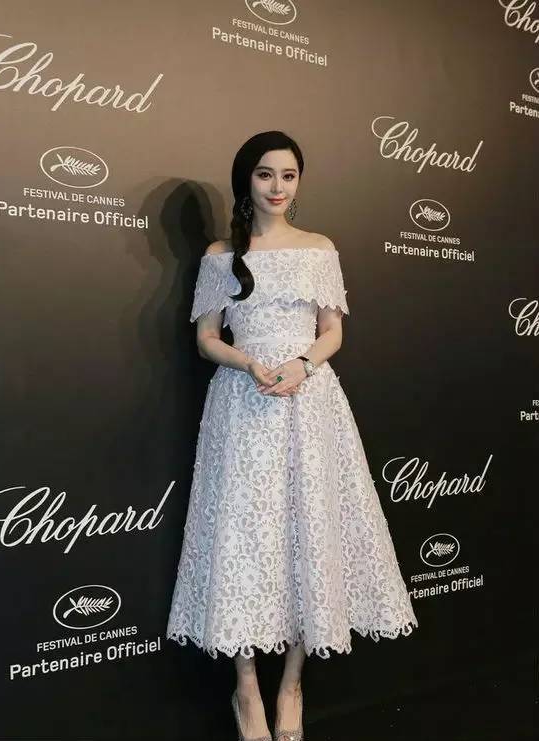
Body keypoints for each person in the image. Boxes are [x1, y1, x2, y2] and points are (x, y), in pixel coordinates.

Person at [166, 130, 419, 741]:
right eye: (265, 175)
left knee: (310, 532)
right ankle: (247, 687)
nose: (278, 187)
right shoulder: (221, 254)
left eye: (288, 175)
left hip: (309, 405)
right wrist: (250, 364)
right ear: (245, 181)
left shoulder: (320, 248)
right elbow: (206, 339)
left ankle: (292, 685)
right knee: (241, 537)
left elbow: (333, 332)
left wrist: (302, 365)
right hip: (243, 404)